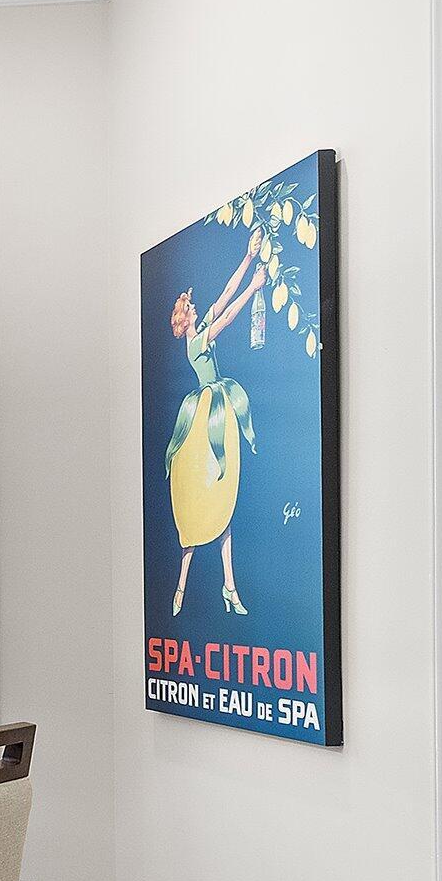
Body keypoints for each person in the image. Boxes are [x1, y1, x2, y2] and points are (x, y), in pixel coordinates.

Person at [164, 230, 267, 617]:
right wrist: (256, 283)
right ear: (186, 318)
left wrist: (246, 258)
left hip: (216, 409)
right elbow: (228, 314)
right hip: (209, 413)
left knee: (223, 503)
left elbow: (224, 294)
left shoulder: (199, 330)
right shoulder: (198, 341)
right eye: (192, 308)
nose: (196, 309)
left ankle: (228, 586)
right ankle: (181, 589)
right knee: (200, 508)